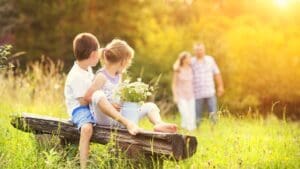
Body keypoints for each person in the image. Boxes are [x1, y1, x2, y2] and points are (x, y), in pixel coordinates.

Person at [64, 33, 139, 169]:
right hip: (79, 109)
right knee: (87, 129)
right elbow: (84, 102)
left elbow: (98, 52)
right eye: (98, 52)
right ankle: (83, 165)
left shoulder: (87, 67)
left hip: (91, 106)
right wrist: (106, 105)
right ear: (93, 55)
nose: (101, 55)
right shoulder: (76, 76)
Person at [84, 39, 177, 133]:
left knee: (150, 106)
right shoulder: (102, 76)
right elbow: (87, 97)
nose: (129, 64)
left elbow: (117, 97)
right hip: (104, 119)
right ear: (123, 61)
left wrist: (130, 100)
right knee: (98, 94)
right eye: (129, 60)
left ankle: (159, 123)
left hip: (118, 118)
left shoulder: (118, 75)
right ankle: (128, 123)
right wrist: (110, 105)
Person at [191, 43, 224, 126]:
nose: (199, 52)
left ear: (204, 50)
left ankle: (214, 130)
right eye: (197, 50)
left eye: (200, 49)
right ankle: (197, 131)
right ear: (194, 51)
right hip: (197, 93)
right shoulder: (191, 62)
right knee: (197, 115)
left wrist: (220, 86)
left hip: (210, 91)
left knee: (213, 113)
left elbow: (217, 73)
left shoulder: (210, 60)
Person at [172, 51, 196, 131]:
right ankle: (187, 130)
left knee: (192, 114)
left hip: (191, 95)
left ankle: (190, 131)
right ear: (184, 59)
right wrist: (175, 96)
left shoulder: (191, 69)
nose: (190, 59)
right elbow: (174, 84)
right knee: (185, 114)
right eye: (189, 57)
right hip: (181, 95)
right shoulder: (178, 70)